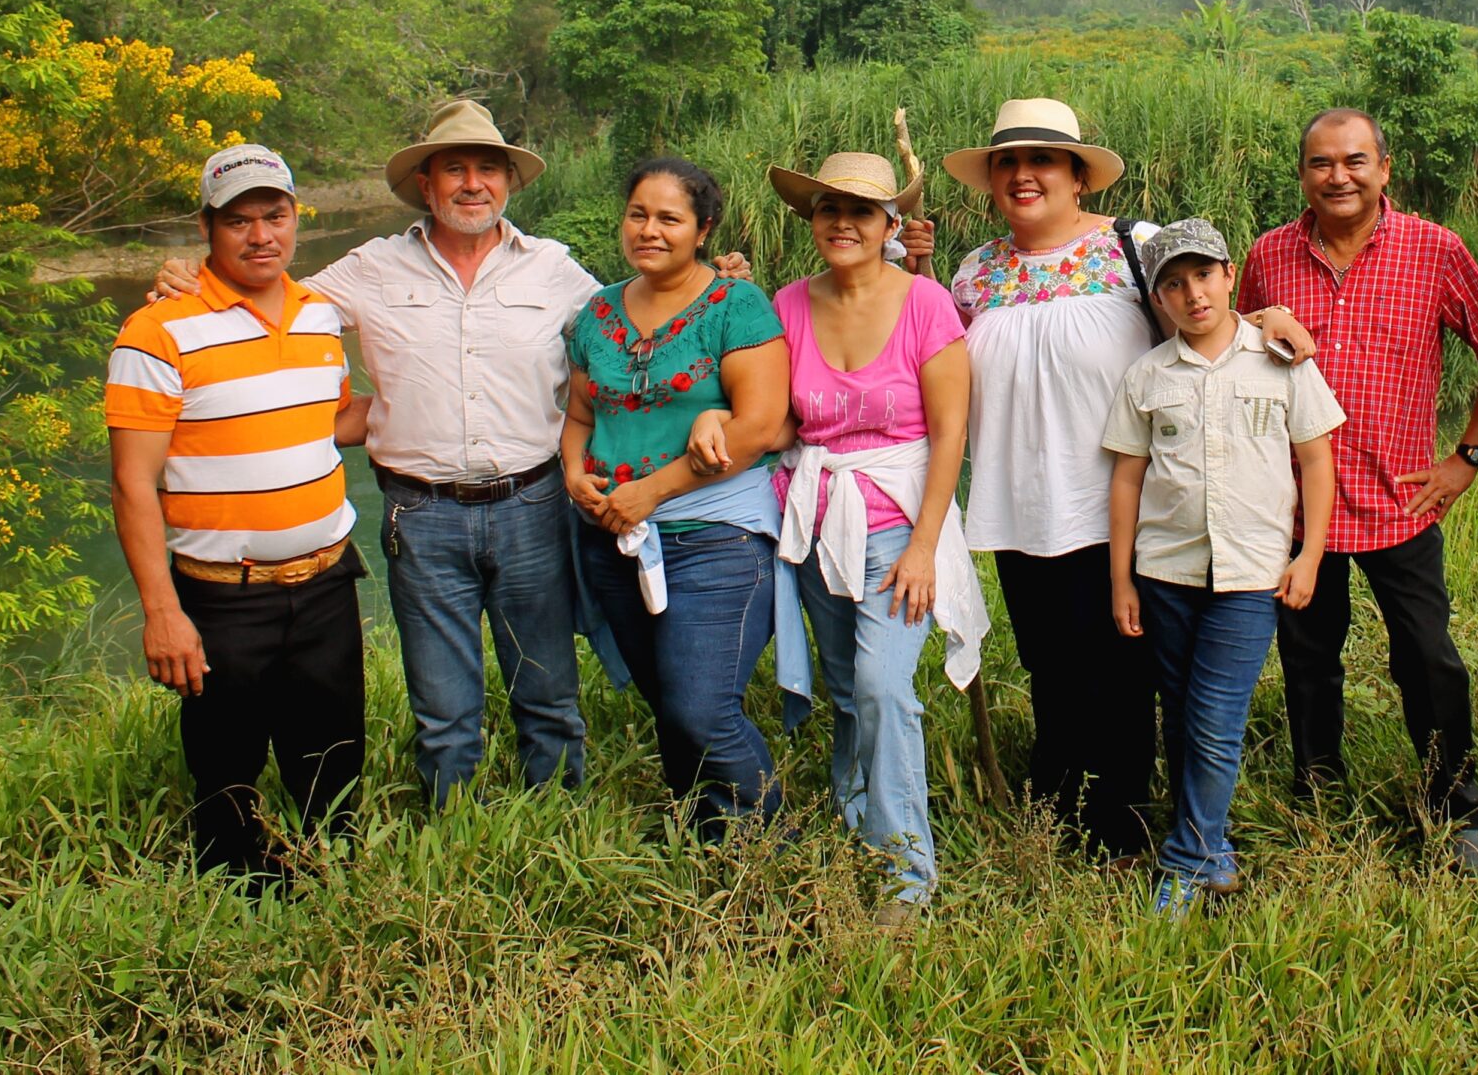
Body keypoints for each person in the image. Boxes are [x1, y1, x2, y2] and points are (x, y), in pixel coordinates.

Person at [154, 99, 594, 808]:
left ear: (509, 182)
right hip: (421, 516)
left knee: (547, 691)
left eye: (488, 168)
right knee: (444, 709)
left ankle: (561, 816)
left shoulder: (554, 269)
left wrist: (715, 283)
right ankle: (457, 830)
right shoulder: (370, 269)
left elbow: (639, 324)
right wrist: (188, 276)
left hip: (534, 506)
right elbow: (268, 297)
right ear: (426, 183)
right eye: (455, 168)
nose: (472, 183)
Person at [904, 97, 1313, 860]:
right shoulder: (975, 270)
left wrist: (1270, 315)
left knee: (1123, 669)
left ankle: (1123, 818)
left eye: (1043, 161)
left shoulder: (1134, 246)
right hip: (1018, 503)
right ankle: (1058, 805)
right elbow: (937, 358)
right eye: (1008, 163)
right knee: (1050, 663)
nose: (1025, 175)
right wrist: (920, 271)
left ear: (1078, 177)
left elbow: (1206, 314)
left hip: (1123, 502)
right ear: (991, 179)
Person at [1236, 108, 1478, 871]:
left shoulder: (1434, 250)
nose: (1339, 176)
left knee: (1428, 657)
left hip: (1401, 499)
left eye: (1355, 161)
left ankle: (1454, 805)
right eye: (1322, 163)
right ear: (1303, 174)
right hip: (1297, 508)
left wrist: (1467, 456)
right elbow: (1230, 352)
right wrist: (1259, 320)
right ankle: (1319, 794)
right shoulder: (1268, 255)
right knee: (1308, 658)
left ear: (1384, 169)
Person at [107, 145, 373, 883]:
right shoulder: (157, 332)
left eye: (275, 215)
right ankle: (236, 907)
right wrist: (162, 611)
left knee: (334, 761)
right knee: (226, 772)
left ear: (296, 218)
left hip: (326, 582)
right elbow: (133, 484)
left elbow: (331, 419)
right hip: (223, 592)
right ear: (207, 227)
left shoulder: (321, 315)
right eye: (239, 220)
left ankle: (335, 889)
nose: (261, 235)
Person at [766, 144, 987, 921]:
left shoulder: (924, 303)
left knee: (883, 686)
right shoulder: (788, 304)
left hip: (898, 524)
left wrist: (927, 543)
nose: (843, 223)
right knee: (845, 690)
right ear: (812, 220)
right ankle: (855, 814)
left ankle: (907, 873)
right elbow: (777, 417)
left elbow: (950, 431)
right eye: (829, 209)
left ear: (889, 222)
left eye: (861, 211)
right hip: (817, 517)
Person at [563, 157, 807, 837]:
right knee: (668, 703)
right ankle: (706, 836)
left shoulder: (735, 307)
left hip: (715, 535)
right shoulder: (600, 310)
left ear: (702, 230)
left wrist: (650, 491)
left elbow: (758, 426)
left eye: (669, 217)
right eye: (638, 213)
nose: (650, 229)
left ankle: (769, 840)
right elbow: (580, 415)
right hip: (614, 534)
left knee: (702, 707)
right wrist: (574, 474)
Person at [1105, 220, 1343, 916]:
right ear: (1158, 299)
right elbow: (1127, 477)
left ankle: (1182, 860)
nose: (1192, 293)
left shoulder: (1280, 359)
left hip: (1251, 574)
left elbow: (1316, 459)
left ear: (1230, 273)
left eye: (1203, 275)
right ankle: (1215, 854)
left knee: (1215, 717)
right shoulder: (1148, 375)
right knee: (1179, 712)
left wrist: (1311, 554)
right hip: (1166, 571)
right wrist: (1122, 578)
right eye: (1173, 283)